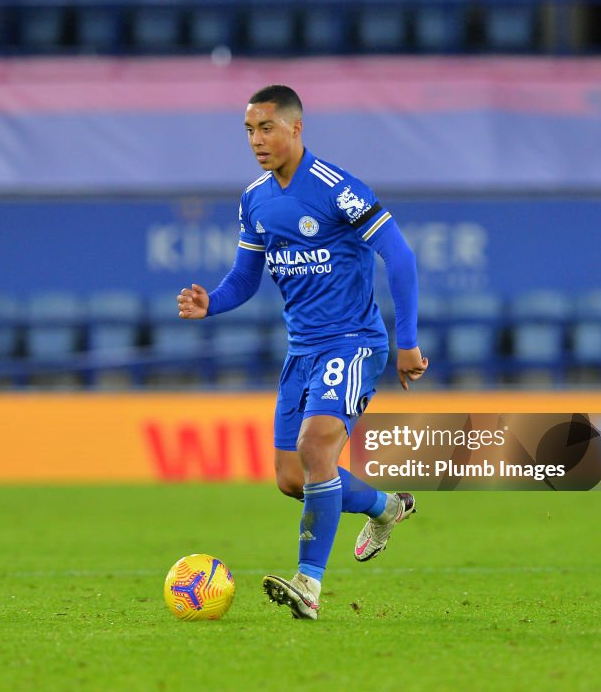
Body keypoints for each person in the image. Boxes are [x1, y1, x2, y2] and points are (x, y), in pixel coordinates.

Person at [176, 85, 428, 620]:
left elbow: (400, 257)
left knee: (318, 450)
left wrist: (407, 342)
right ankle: (386, 507)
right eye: (248, 131)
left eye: (266, 128)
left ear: (296, 128)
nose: (256, 140)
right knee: (292, 478)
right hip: (302, 354)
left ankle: (307, 586)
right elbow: (245, 279)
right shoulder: (255, 199)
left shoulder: (337, 189)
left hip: (354, 343)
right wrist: (210, 304)